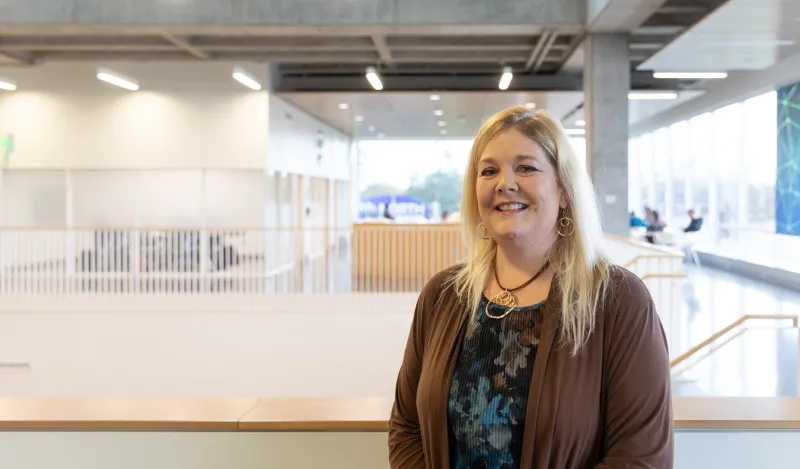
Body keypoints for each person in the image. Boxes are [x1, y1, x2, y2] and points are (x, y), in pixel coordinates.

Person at [388, 107, 673, 468]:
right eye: (488, 170)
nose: (504, 183)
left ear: (564, 191)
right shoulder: (443, 295)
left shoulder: (618, 299)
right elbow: (406, 427)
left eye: (526, 167)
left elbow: (640, 457)